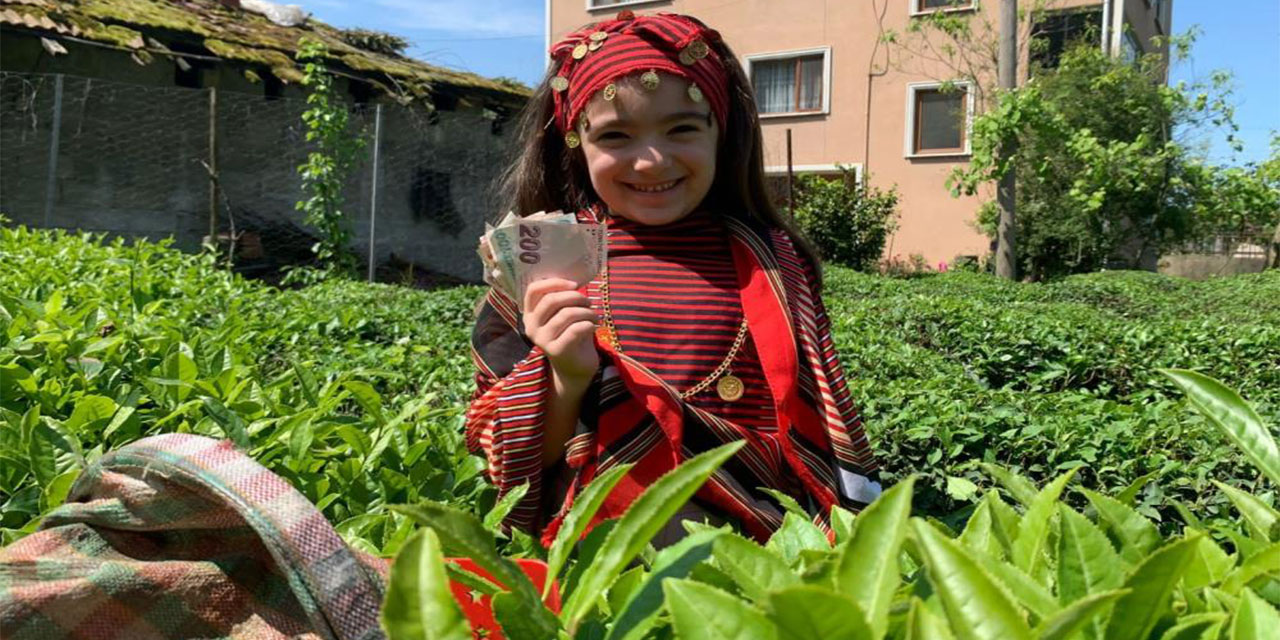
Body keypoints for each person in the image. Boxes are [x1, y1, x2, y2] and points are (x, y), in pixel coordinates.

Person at [466, 11, 880, 546]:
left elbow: (813, 426)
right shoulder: (545, 263)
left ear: (720, 134)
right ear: (577, 146)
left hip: (764, 542)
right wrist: (566, 376)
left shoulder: (777, 263)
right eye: (616, 136)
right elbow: (507, 465)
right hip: (607, 550)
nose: (651, 161)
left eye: (681, 128)